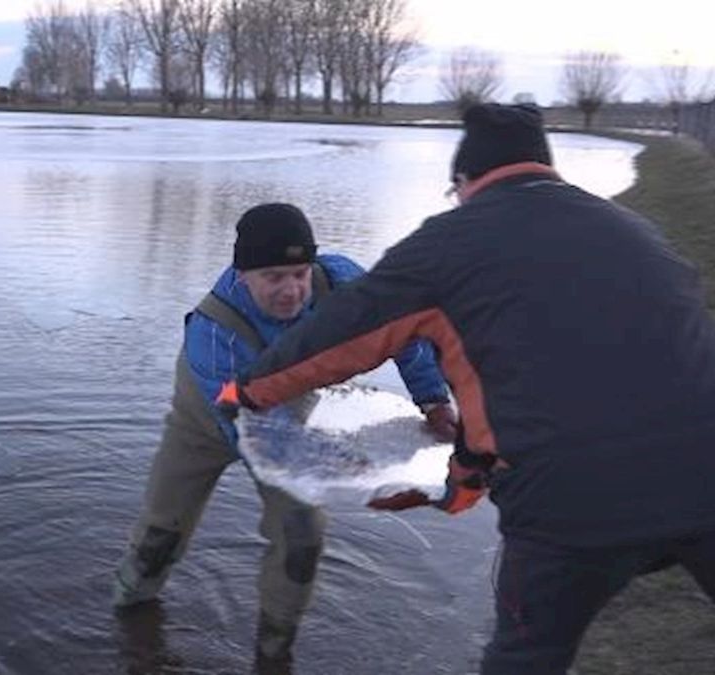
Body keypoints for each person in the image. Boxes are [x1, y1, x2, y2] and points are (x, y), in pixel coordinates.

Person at [216, 104, 715, 675]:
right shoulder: (636, 232)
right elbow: (536, 389)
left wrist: (245, 393)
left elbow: (337, 338)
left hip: (567, 503)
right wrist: (459, 487)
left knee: (526, 656)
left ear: (464, 180)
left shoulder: (445, 246)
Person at [112, 202, 456, 663]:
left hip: (291, 405)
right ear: (243, 276)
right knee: (161, 531)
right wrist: (332, 461)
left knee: (302, 533)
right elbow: (249, 432)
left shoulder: (340, 282)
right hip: (209, 415)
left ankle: (274, 650)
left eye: (299, 273)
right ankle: (129, 611)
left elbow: (402, 332)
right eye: (273, 277)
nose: (292, 290)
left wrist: (433, 400)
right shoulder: (214, 333)